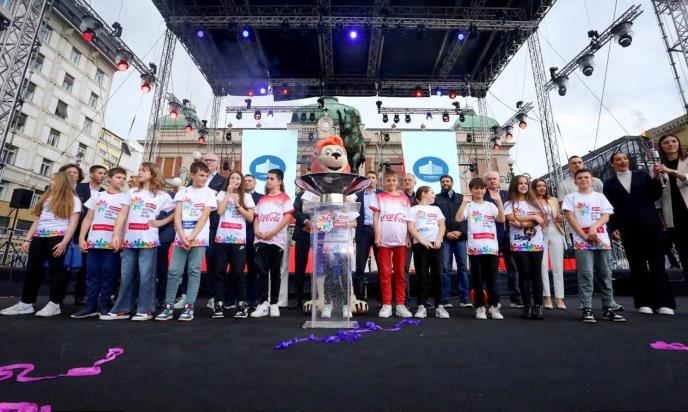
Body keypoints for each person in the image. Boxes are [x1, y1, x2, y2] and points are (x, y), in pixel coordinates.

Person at [100, 162, 175, 321]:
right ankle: (122, 309)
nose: (140, 172)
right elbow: (122, 214)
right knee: (126, 275)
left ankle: (145, 309)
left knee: (146, 276)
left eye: (144, 170)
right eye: (139, 170)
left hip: (148, 240)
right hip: (129, 240)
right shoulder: (132, 192)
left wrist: (162, 222)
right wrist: (116, 234)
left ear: (153, 174)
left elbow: (177, 211)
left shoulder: (162, 195)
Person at [1, 172, 81, 317]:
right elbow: (38, 220)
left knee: (56, 272)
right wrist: (27, 239)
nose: (51, 182)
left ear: (62, 181)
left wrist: (64, 242)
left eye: (53, 180)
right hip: (39, 237)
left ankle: (54, 304)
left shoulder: (73, 199)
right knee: (32, 270)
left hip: (57, 237)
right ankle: (26, 303)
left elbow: (73, 222)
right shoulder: (47, 197)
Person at [604, 151, 675, 315]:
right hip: (628, 227)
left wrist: (657, 179)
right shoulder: (609, 184)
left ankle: (664, 302)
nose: (622, 161)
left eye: (625, 158)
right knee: (637, 265)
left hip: (650, 223)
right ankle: (644, 302)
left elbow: (655, 195)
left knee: (657, 262)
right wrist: (613, 227)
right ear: (612, 164)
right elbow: (609, 207)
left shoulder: (642, 175)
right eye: (618, 160)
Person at [563, 169, 626, 323]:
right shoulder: (571, 198)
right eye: (580, 178)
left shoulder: (600, 197)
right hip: (581, 240)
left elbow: (606, 216)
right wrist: (584, 235)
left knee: (605, 273)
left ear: (591, 180)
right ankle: (587, 308)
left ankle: (608, 308)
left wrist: (594, 228)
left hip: (601, 239)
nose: (583, 180)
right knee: (586, 274)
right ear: (575, 181)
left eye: (586, 177)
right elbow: (571, 218)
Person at [156, 161, 217, 322]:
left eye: (206, 175)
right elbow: (177, 216)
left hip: (199, 238)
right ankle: (168, 306)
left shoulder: (209, 193)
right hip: (181, 238)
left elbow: (204, 217)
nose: (204, 178)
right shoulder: (182, 192)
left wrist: (192, 236)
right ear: (192, 175)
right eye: (201, 175)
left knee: (194, 271)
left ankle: (189, 307)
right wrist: (182, 236)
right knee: (174, 271)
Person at [72, 167, 127, 319]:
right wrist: (82, 238)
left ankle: (104, 305)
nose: (122, 180)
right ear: (109, 179)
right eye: (118, 177)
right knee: (92, 273)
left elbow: (124, 221)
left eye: (124, 178)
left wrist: (121, 240)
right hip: (94, 241)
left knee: (108, 274)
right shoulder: (97, 196)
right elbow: (88, 218)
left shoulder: (125, 198)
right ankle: (90, 306)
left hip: (111, 243)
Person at [456, 177, 505, 320]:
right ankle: (480, 307)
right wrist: (464, 203)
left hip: (491, 247)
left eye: (481, 188)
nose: (479, 191)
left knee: (492, 278)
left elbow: (502, 219)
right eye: (476, 188)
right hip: (475, 248)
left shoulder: (490, 205)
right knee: (477, 278)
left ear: (485, 190)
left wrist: (499, 202)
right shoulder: (469, 206)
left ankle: (494, 306)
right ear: (471, 190)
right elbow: (458, 219)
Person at [250, 169, 294, 318]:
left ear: (279, 182)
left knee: (275, 272)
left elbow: (287, 218)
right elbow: (256, 217)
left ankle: (274, 303)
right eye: (267, 178)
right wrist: (257, 231)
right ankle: (263, 304)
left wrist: (272, 232)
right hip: (260, 240)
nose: (268, 181)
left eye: (272, 178)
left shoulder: (284, 198)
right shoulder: (262, 199)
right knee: (261, 272)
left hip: (277, 241)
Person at [211, 170, 255, 319]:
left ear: (241, 182)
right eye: (232, 178)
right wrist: (228, 194)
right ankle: (218, 304)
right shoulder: (222, 194)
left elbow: (250, 218)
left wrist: (238, 206)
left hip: (238, 239)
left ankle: (242, 304)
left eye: (238, 178)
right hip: (222, 238)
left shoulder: (247, 196)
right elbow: (219, 211)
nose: (235, 180)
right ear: (228, 181)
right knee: (219, 271)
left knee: (238, 273)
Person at [371, 169, 413, 318]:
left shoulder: (405, 199)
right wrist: (377, 236)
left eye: (393, 180)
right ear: (384, 182)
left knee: (401, 272)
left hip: (401, 240)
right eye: (388, 180)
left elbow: (408, 219)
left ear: (397, 182)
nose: (391, 183)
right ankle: (387, 304)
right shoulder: (379, 197)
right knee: (385, 272)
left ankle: (400, 304)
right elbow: (375, 217)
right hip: (384, 241)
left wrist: (408, 237)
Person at [505, 175, 546, 320]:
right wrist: (533, 218)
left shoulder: (535, 203)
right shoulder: (509, 204)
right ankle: (527, 306)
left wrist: (523, 221)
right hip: (518, 243)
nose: (523, 186)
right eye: (520, 183)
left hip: (536, 243)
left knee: (536, 275)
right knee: (524, 275)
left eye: (525, 183)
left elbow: (541, 221)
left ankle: (538, 306)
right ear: (514, 186)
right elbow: (513, 220)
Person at [484, 171, 522, 308]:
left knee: (513, 267)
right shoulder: (483, 196)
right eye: (489, 179)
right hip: (491, 236)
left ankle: (515, 298)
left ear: (499, 180)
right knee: (491, 269)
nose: (493, 181)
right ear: (486, 182)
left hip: (509, 235)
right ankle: (494, 299)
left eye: (495, 178)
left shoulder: (507, 195)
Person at [407, 186, 445, 319]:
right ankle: (421, 306)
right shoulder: (413, 209)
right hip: (420, 245)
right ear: (424, 194)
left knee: (438, 275)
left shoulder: (436, 209)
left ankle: (440, 306)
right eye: (432, 192)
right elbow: (411, 227)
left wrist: (438, 239)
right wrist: (422, 240)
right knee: (422, 276)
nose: (434, 195)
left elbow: (442, 225)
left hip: (436, 245)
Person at [655, 134, 688, 285]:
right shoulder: (658, 165)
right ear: (661, 147)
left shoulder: (686, 159)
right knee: (684, 253)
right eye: (666, 142)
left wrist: (671, 171)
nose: (671, 144)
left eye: (674, 141)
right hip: (674, 215)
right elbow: (657, 196)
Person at [434, 174, 471, 308]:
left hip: (460, 238)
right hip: (445, 239)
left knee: (463, 267)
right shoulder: (436, 199)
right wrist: (446, 233)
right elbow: (435, 219)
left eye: (447, 181)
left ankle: (465, 298)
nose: (445, 183)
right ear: (440, 184)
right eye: (443, 182)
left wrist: (461, 231)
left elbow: (467, 218)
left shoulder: (461, 198)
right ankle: (445, 299)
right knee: (445, 268)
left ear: (452, 183)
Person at [72, 165, 106, 305]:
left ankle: (83, 294)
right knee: (71, 262)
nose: (103, 176)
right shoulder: (79, 188)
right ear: (91, 174)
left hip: (94, 232)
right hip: (76, 229)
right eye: (100, 173)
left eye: (104, 174)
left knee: (88, 265)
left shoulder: (104, 192)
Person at [532, 178, 566, 310]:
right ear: (534, 188)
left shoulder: (553, 200)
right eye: (539, 186)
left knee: (558, 266)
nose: (542, 188)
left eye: (544, 186)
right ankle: (546, 297)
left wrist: (560, 218)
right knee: (542, 266)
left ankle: (559, 298)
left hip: (555, 231)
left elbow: (559, 216)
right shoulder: (530, 201)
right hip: (539, 233)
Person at [200, 152, 228, 310]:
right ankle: (184, 295)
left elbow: (217, 201)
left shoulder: (223, 180)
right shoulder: (194, 179)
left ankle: (213, 296)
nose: (208, 162)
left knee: (213, 261)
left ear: (217, 163)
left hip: (213, 226)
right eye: (206, 160)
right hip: (195, 224)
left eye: (211, 160)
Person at [56, 163, 87, 304]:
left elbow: (85, 213)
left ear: (79, 176)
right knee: (57, 266)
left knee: (71, 264)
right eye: (69, 172)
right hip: (55, 231)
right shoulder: (55, 189)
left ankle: (75, 296)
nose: (72, 174)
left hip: (76, 231)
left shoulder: (82, 191)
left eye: (75, 172)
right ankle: (56, 298)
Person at [354, 171, 380, 300]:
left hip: (378, 232)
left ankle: (381, 297)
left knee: (382, 266)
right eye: (368, 177)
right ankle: (359, 296)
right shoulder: (357, 195)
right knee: (360, 266)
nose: (370, 179)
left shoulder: (381, 194)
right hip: (363, 231)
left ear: (376, 181)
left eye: (373, 177)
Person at [243, 174, 262, 307]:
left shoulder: (261, 198)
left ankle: (253, 299)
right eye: (245, 181)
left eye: (250, 181)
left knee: (253, 269)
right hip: (237, 237)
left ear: (255, 183)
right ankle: (234, 298)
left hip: (254, 237)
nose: (247, 183)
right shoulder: (237, 196)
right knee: (236, 270)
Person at [292, 189, 310, 309]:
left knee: (322, 267)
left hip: (320, 232)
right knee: (300, 266)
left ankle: (322, 298)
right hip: (302, 232)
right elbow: (295, 211)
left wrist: (315, 224)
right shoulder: (301, 195)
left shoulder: (322, 194)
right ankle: (298, 298)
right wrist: (306, 221)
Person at [402, 173, 416, 306]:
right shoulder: (399, 197)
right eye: (405, 180)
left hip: (422, 236)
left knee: (422, 267)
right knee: (405, 268)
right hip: (405, 237)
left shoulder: (421, 197)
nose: (407, 182)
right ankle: (406, 298)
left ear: (415, 182)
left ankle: (422, 300)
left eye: (410, 180)